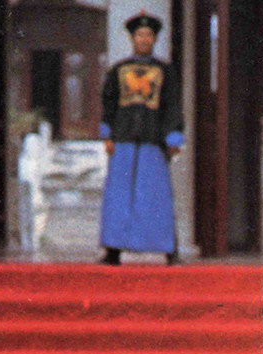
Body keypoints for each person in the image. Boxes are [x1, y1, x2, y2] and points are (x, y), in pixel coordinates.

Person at [98, 11, 183, 266]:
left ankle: (169, 250)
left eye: (148, 35)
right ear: (132, 38)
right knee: (119, 196)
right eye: (139, 35)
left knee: (156, 196)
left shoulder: (165, 71)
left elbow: (173, 106)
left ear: (154, 39)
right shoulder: (118, 70)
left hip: (152, 141)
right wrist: (107, 134)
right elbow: (108, 103)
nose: (144, 39)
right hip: (123, 140)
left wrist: (173, 137)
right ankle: (113, 249)